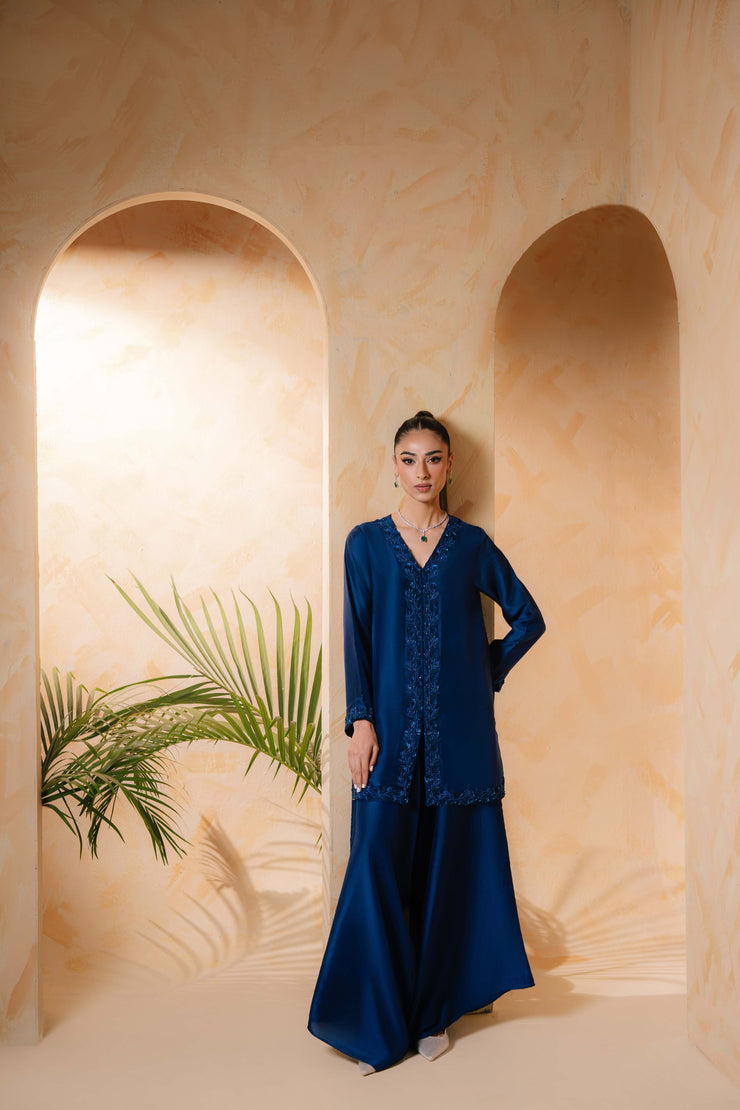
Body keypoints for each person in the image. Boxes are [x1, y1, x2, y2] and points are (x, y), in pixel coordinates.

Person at [307, 409, 545, 1074]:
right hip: (386, 740)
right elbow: (356, 638)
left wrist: (484, 672)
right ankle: (374, 1021)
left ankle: (434, 1011)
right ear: (394, 466)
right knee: (377, 866)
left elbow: (528, 618)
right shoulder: (364, 544)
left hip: (458, 741)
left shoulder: (470, 545)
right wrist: (360, 720)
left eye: (433, 459)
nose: (421, 471)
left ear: (449, 466)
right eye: (409, 459)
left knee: (448, 875)